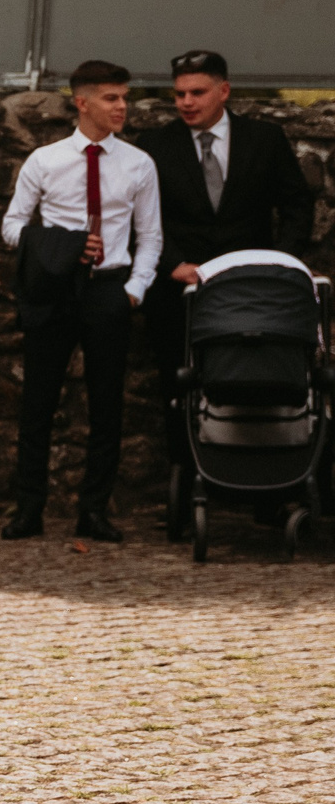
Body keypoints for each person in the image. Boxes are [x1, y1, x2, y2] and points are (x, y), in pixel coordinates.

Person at [141, 50, 314, 511]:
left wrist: (277, 263)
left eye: (197, 92)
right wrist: (172, 263)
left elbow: (297, 204)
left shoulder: (265, 139)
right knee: (177, 385)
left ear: (224, 91)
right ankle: (189, 492)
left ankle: (265, 490)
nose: (185, 102)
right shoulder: (154, 146)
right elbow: (142, 215)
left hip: (254, 291)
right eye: (178, 93)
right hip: (180, 289)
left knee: (258, 382)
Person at [0, 59, 162, 543]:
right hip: (53, 289)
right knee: (37, 403)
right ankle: (29, 509)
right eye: (112, 98)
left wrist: (134, 290)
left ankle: (94, 510)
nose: (122, 107)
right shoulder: (44, 161)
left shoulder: (138, 164)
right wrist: (65, 243)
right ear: (82, 102)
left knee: (106, 405)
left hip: (109, 289)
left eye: (125, 99)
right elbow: (12, 227)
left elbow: (150, 236)